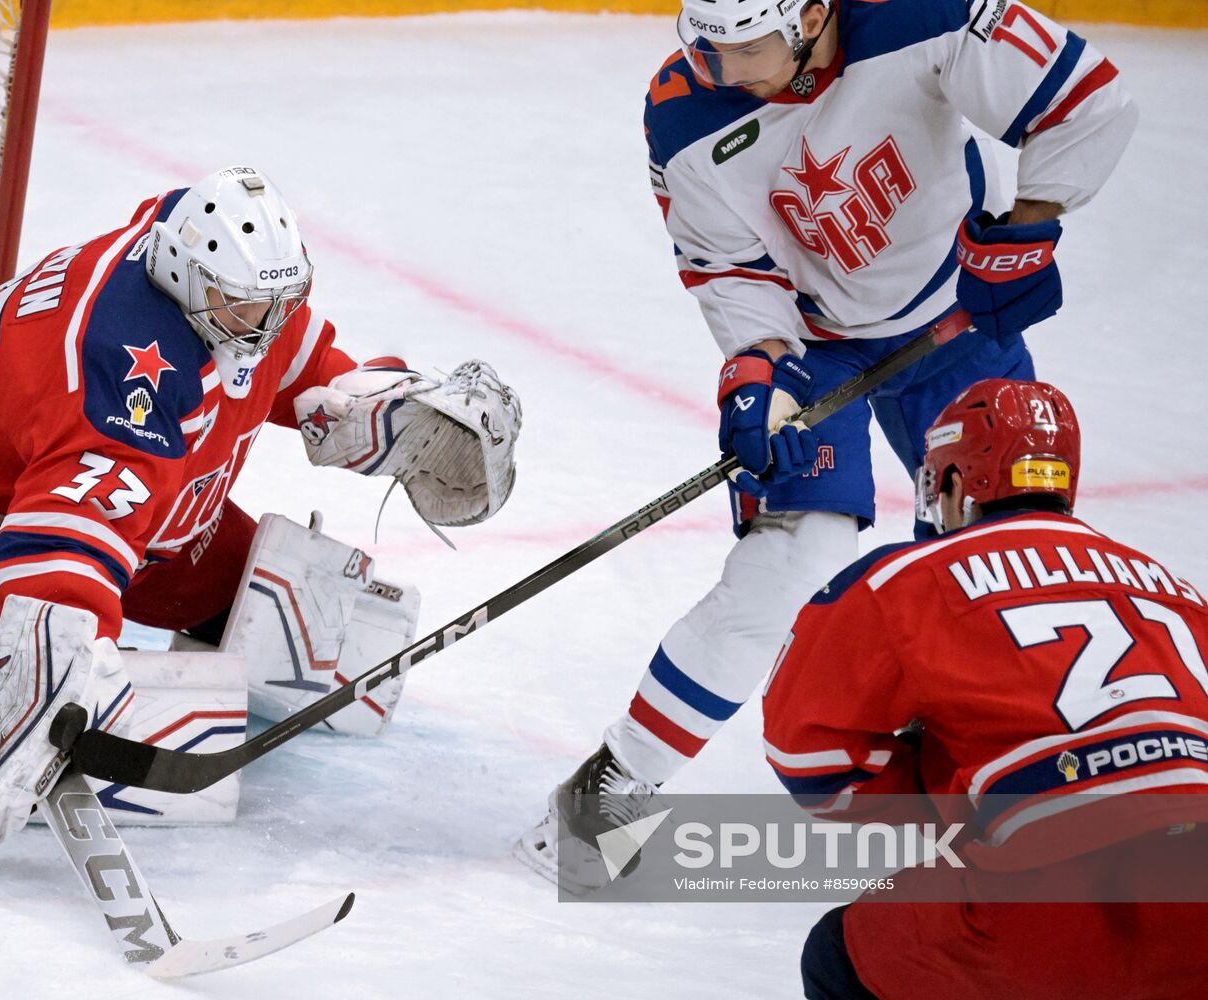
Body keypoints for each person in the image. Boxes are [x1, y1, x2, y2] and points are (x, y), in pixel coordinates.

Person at [516, 0, 1138, 881]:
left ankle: (978, 800)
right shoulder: (684, 110)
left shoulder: (919, 16)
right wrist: (755, 369)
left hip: (960, 315)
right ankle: (606, 798)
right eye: (707, 48)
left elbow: (1085, 98)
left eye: (747, 49)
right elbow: (725, 262)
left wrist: (1024, 229)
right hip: (815, 340)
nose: (723, 72)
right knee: (792, 554)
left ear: (811, 15)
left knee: (992, 560)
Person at [0, 165, 522, 844]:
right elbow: (64, 540)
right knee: (56, 700)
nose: (265, 325)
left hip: (147, 500)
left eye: (279, 303)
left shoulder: (225, 285)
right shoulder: (121, 372)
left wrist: (373, 405)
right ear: (187, 280)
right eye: (247, 310)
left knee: (333, 640)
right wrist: (55, 645)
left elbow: (293, 360)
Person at [762, 379, 1208, 999]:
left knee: (840, 954)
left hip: (1050, 912)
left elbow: (807, 755)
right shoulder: (1175, 589)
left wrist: (938, 787)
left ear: (951, 483)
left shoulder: (903, 578)